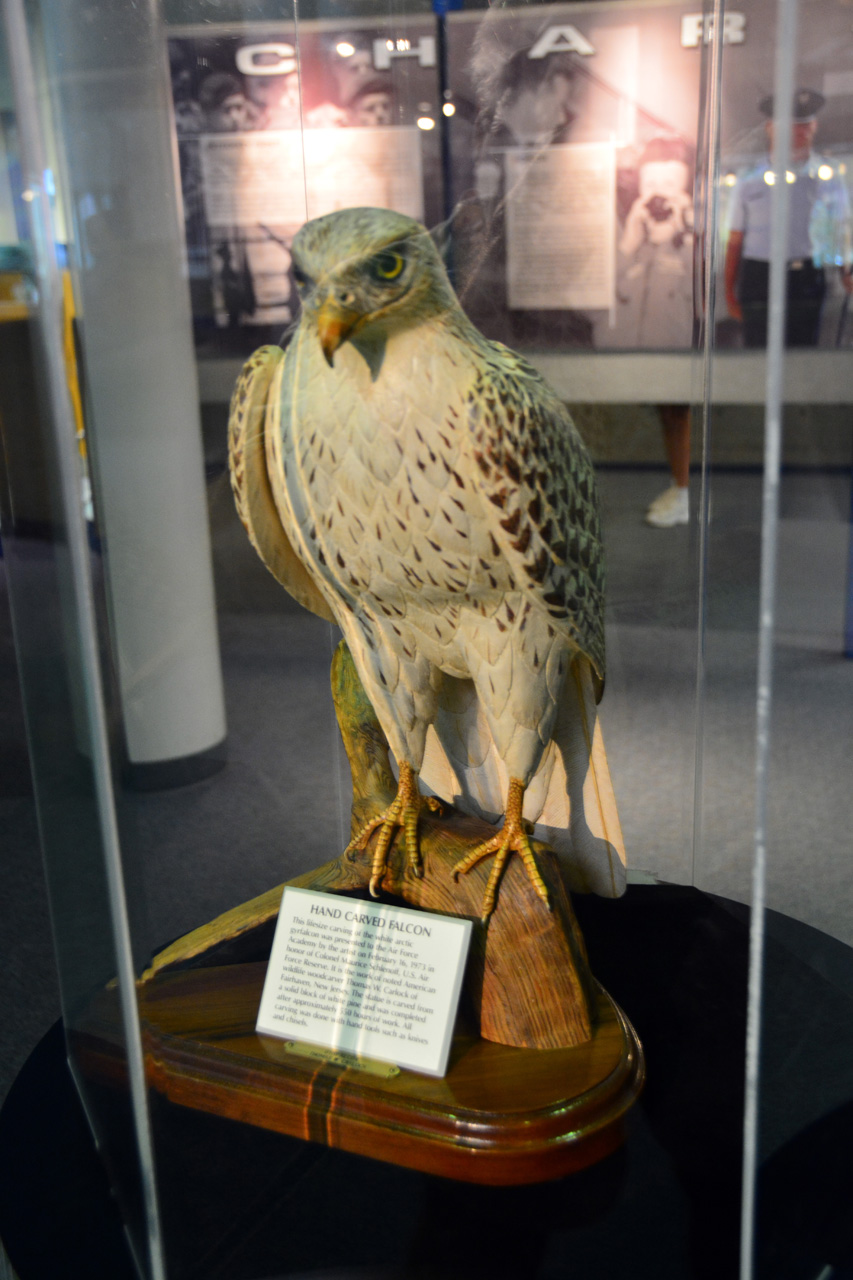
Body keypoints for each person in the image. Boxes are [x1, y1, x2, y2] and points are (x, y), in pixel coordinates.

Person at [724, 88, 853, 347]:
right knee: (758, 351)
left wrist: (846, 272)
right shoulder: (750, 178)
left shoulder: (827, 177)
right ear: (771, 129)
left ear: (814, 127)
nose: (798, 133)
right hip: (760, 276)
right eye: (791, 127)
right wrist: (728, 291)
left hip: (806, 276)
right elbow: (735, 239)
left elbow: (841, 229)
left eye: (804, 126)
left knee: (803, 353)